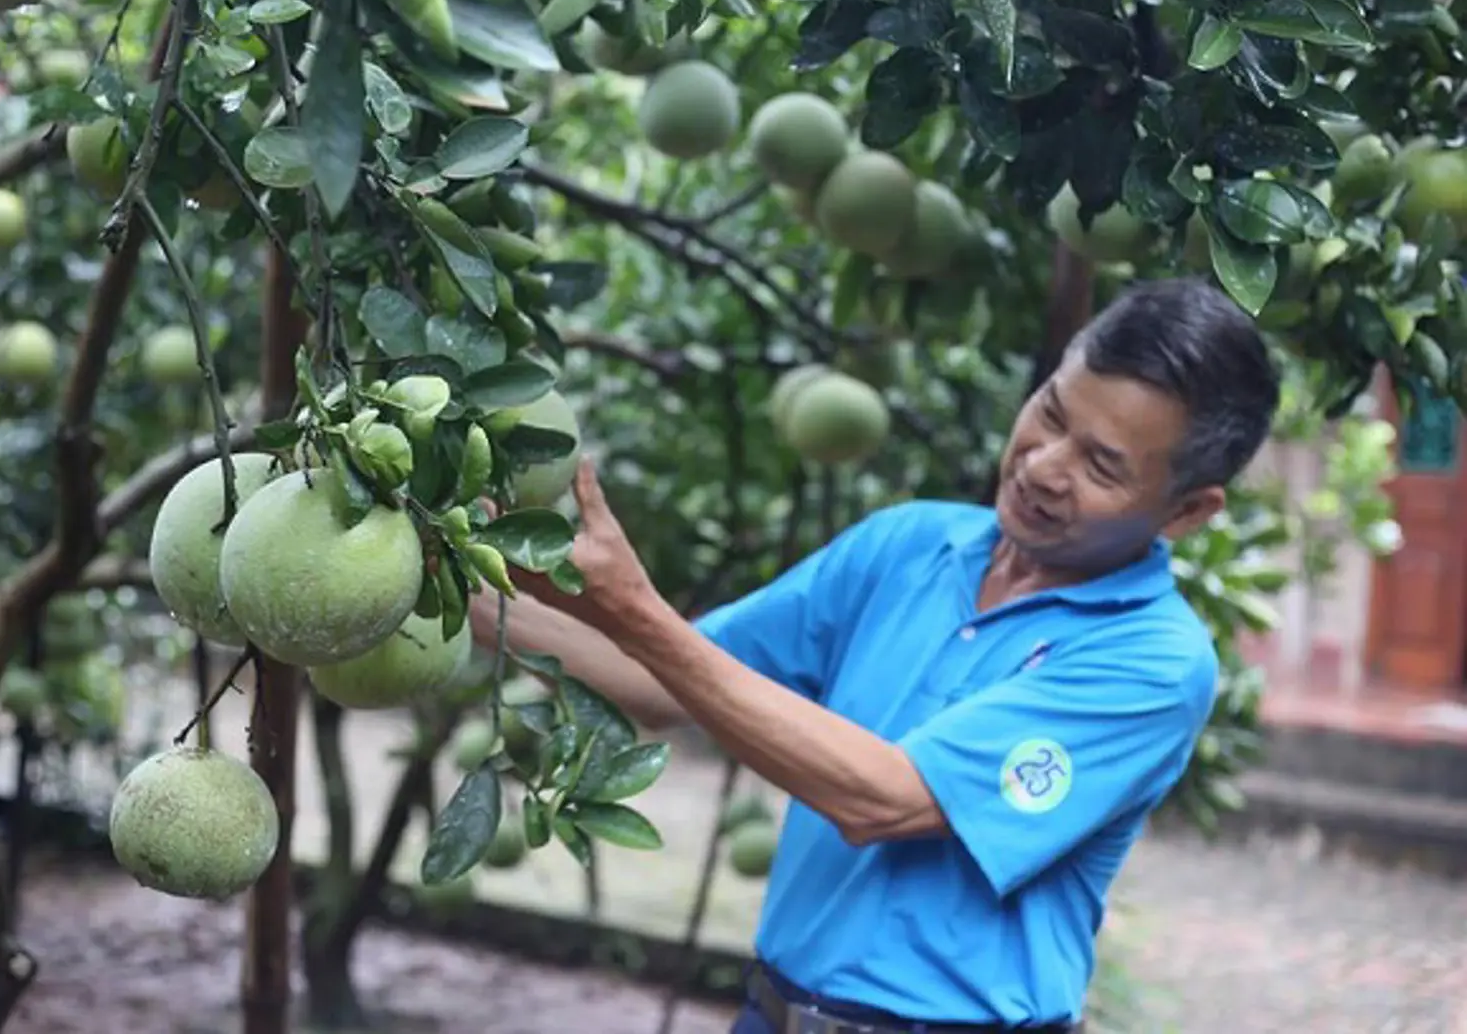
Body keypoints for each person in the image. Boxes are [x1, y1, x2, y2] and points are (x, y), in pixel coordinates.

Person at [468, 277, 1281, 1034]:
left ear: (1184, 511)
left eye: (1099, 464)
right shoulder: (912, 545)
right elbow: (662, 682)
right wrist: (470, 590)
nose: (1041, 464)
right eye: (1050, 412)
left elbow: (883, 801)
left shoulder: (1152, 663)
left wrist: (640, 613)